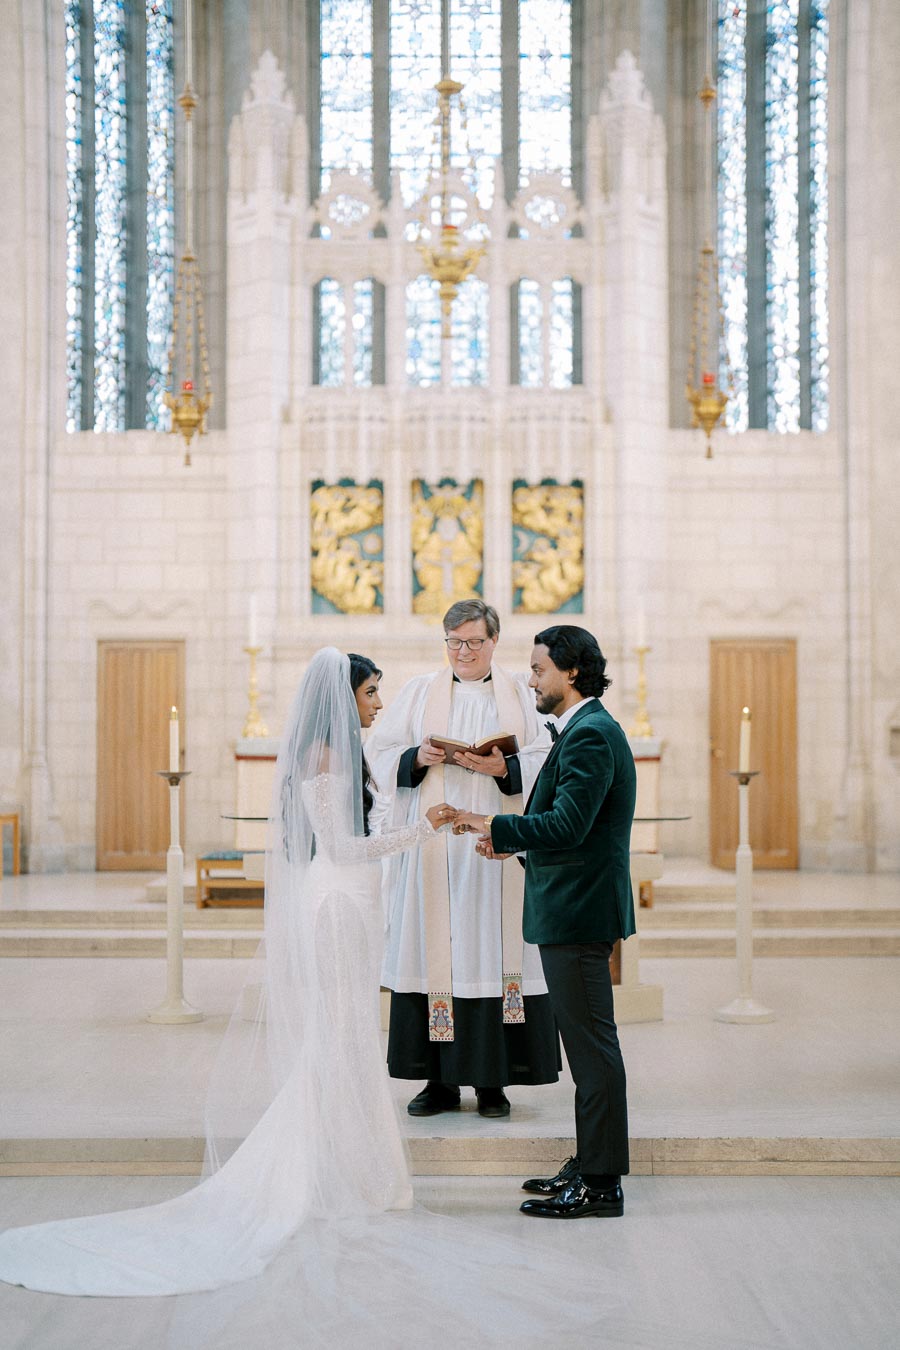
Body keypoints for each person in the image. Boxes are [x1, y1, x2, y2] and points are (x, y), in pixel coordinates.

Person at [0, 648, 459, 1295]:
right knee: (341, 1037)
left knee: (352, 1037)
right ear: (342, 696)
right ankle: (328, 1172)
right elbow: (344, 848)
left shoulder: (346, 756)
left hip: (354, 901)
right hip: (337, 904)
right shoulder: (325, 758)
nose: (378, 704)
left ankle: (348, 1169)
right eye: (371, 692)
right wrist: (423, 832)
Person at [453, 625, 636, 1218]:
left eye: (538, 669)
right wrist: (516, 846)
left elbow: (568, 826)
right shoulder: (585, 728)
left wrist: (494, 827)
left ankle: (602, 1182)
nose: (530, 679)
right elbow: (565, 828)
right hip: (571, 903)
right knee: (587, 1050)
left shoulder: (590, 735)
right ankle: (589, 1162)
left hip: (578, 912)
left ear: (571, 672)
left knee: (592, 1053)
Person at [366, 599, 559, 1120]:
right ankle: (439, 1083)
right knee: (437, 958)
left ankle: (493, 1084)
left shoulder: (520, 693)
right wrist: (416, 758)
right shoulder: (418, 693)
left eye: (474, 642)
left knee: (495, 956)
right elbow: (379, 755)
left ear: (495, 641)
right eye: (454, 642)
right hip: (436, 854)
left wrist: (506, 767)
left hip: (494, 855)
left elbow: (547, 757)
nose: (464, 652)